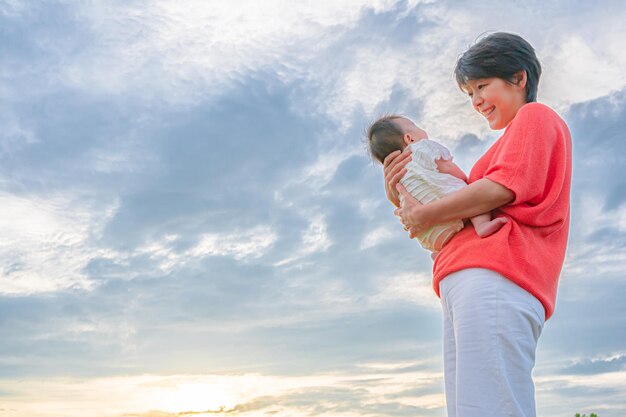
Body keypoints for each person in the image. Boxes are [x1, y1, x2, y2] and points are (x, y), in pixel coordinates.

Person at [383, 32, 572, 417]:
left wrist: (422, 214)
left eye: (482, 86)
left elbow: (501, 188)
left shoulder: (535, 117)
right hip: (470, 278)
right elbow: (460, 209)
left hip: (498, 274)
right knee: (474, 407)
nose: (476, 101)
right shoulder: (503, 143)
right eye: (469, 93)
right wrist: (401, 194)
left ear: (519, 79)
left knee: (490, 406)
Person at [367, 115, 507, 252]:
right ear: (409, 138)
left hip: (432, 234)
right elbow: (447, 167)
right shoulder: (421, 148)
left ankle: (437, 253)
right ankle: (482, 225)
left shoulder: (399, 178)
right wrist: (465, 180)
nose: (420, 129)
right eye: (415, 126)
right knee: (472, 198)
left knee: (438, 242)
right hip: (453, 205)